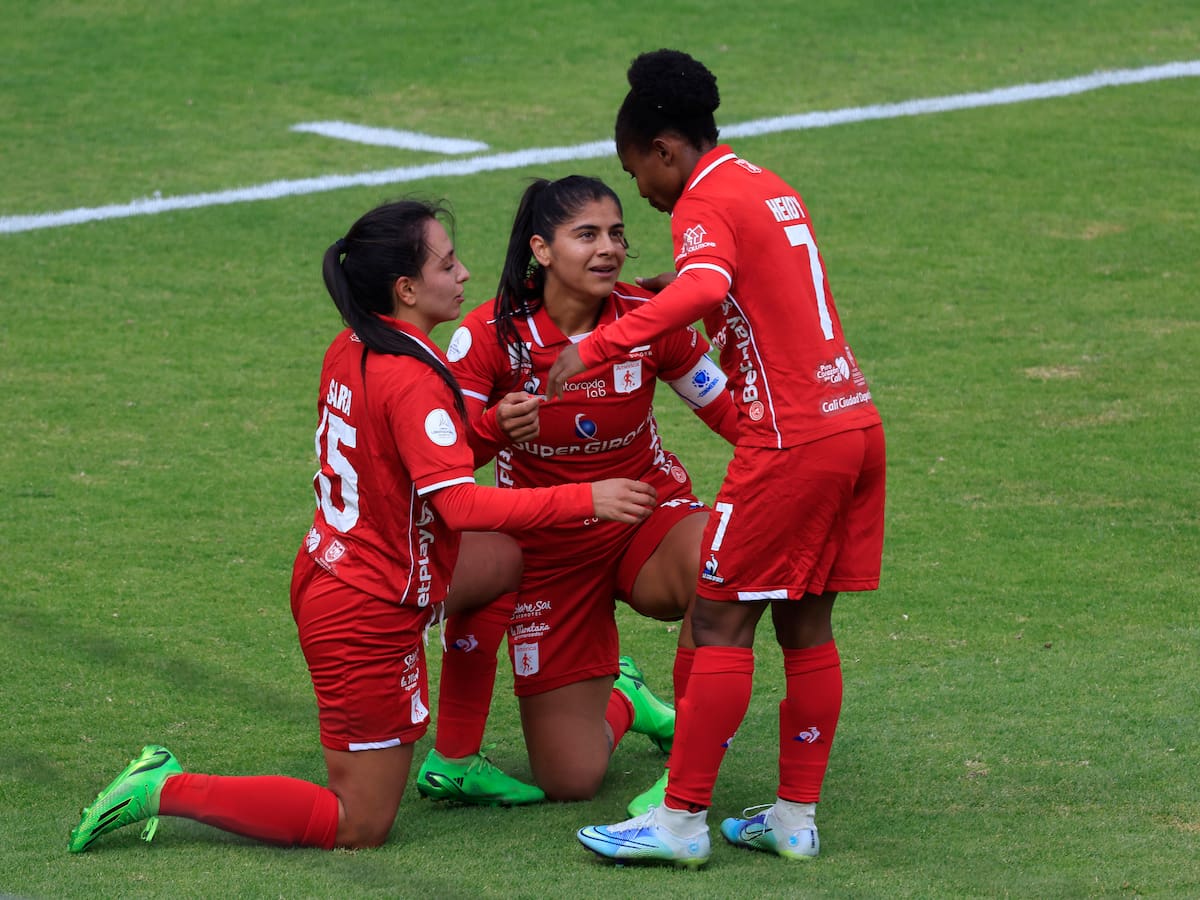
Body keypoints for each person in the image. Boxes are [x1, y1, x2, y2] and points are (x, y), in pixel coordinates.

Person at [67, 199, 656, 854]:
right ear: (406, 289)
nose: (464, 274)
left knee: (506, 560)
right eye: (448, 262)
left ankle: (456, 759)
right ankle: (164, 786)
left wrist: (489, 429)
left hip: (350, 569)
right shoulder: (414, 380)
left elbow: (400, 466)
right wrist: (587, 499)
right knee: (359, 823)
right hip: (364, 613)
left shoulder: (353, 345)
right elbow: (458, 507)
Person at [556, 50, 887, 867]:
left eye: (638, 172)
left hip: (791, 441)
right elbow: (746, 291)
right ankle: (793, 817)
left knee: (718, 621)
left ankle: (677, 820)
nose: (641, 191)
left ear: (665, 149)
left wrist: (604, 343)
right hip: (854, 424)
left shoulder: (703, 199)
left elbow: (706, 289)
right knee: (807, 625)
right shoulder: (768, 184)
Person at [414, 175, 739, 810]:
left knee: (716, 564)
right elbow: (446, 465)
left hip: (648, 516)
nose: (609, 249)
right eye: (586, 235)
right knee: (571, 779)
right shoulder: (486, 337)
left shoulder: (650, 321)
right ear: (541, 250)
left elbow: (733, 416)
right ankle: (625, 697)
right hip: (547, 551)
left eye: (616, 234)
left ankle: (686, 784)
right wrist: (494, 429)